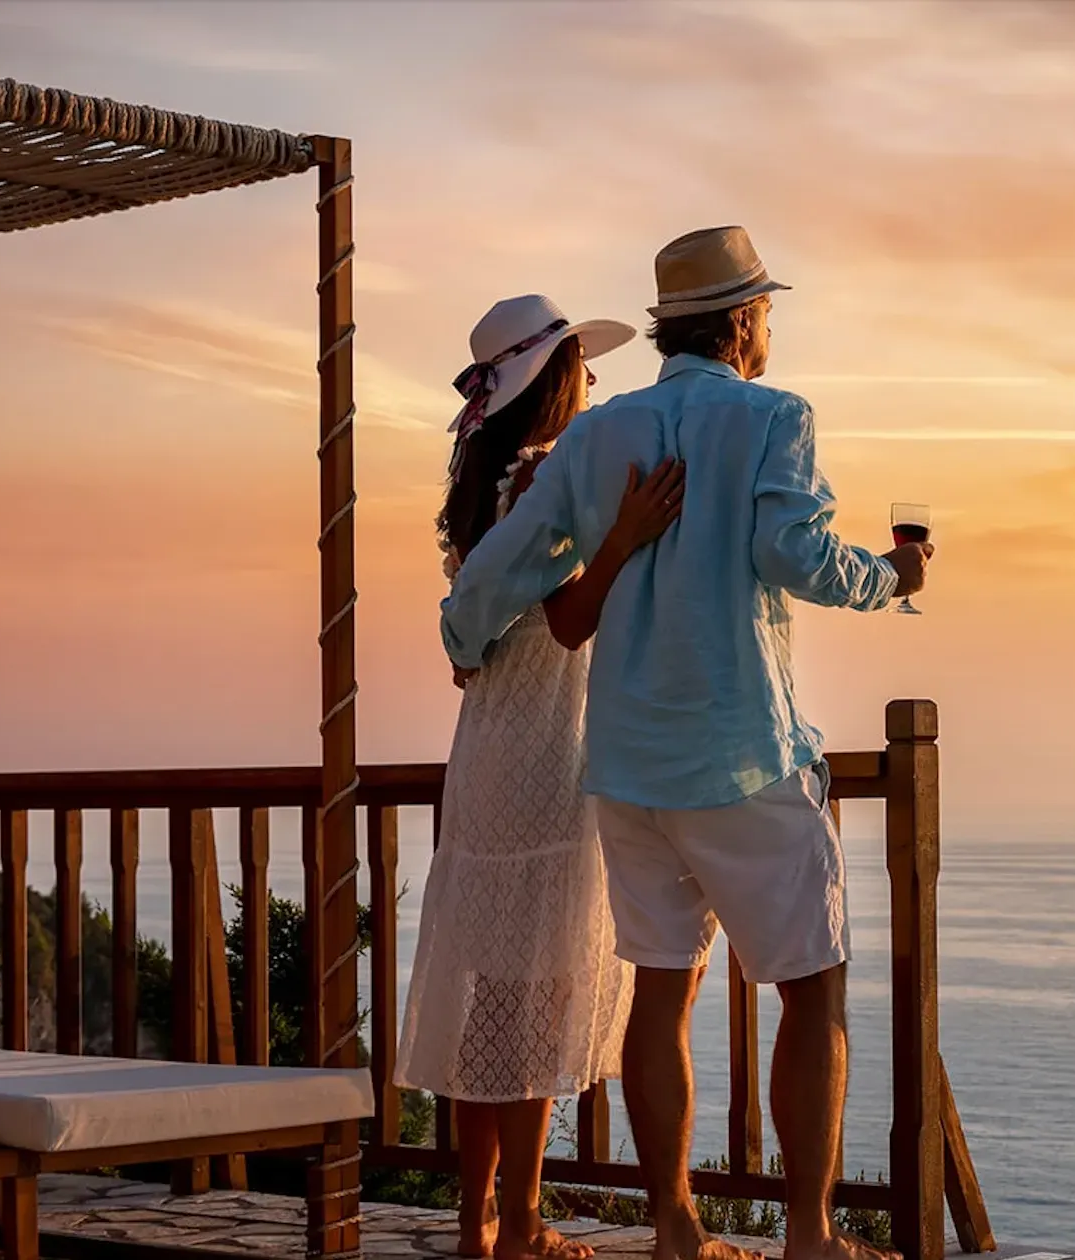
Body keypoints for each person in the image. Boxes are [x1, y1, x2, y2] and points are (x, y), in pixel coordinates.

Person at [441, 228, 932, 1260]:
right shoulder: (772, 418)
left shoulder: (596, 436)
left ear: (673, 327)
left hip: (625, 768)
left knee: (659, 992)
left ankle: (673, 1225)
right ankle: (808, 1232)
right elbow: (792, 555)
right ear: (746, 322)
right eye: (766, 317)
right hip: (743, 750)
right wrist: (893, 576)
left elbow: (498, 571)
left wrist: (463, 637)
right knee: (811, 986)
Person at [398, 294, 686, 1260]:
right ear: (555, 381)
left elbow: (475, 628)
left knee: (486, 986)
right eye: (583, 369)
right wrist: (625, 538)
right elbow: (568, 622)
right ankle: (520, 1223)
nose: (594, 384)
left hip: (486, 743)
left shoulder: (484, 479)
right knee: (529, 998)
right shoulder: (544, 481)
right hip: (546, 745)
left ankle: (481, 1222)